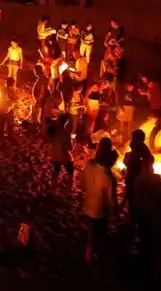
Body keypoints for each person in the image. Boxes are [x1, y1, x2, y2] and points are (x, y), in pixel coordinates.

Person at [81, 138, 116, 266]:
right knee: (100, 236)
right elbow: (112, 200)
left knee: (91, 235)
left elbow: (82, 184)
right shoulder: (108, 176)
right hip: (100, 211)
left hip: (88, 207)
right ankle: (96, 262)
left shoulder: (89, 165)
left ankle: (88, 257)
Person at [48, 114, 74, 194]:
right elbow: (70, 148)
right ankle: (68, 189)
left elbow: (49, 140)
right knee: (70, 171)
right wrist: (73, 141)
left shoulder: (54, 131)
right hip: (64, 156)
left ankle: (53, 190)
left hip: (55, 155)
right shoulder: (66, 133)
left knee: (55, 172)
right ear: (66, 122)